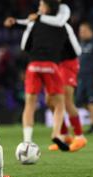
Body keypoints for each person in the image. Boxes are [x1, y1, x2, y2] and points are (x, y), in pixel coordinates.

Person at [4, 0, 70, 151]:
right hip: (51, 66)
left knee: (30, 104)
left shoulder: (35, 23)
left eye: (41, 5)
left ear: (47, 7)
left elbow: (24, 46)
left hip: (33, 66)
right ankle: (56, 134)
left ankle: (27, 141)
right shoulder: (61, 26)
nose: (38, 8)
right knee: (59, 104)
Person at [26, 4, 87, 151]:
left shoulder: (62, 25)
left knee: (65, 100)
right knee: (49, 100)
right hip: (55, 64)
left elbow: (76, 50)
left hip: (68, 63)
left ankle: (79, 136)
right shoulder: (45, 25)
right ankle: (64, 135)